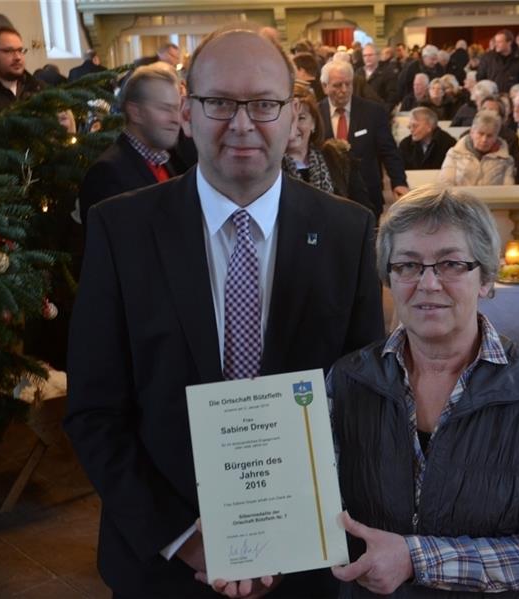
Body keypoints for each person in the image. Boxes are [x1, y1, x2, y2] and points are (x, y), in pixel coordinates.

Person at [65, 28, 385, 599]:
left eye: (264, 104)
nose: (242, 124)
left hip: (305, 563)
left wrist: (295, 532)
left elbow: (359, 407)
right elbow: (94, 410)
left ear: (294, 115)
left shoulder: (348, 232)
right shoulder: (121, 230)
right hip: (163, 563)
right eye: (219, 103)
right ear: (187, 110)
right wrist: (184, 536)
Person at [328, 185, 519, 598]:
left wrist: (415, 557)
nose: (428, 284)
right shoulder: (347, 380)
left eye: (450, 264)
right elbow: (307, 506)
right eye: (407, 266)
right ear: (388, 277)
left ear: (484, 279)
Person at [78, 63, 186, 228]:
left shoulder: (167, 160)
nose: (176, 119)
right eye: (165, 109)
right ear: (136, 112)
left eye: (177, 109)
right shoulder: (106, 175)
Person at [319, 60, 409, 217]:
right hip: (326, 197)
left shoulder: (373, 112)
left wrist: (399, 182)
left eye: (348, 84)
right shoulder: (316, 114)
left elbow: (389, 151)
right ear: (324, 86)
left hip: (367, 196)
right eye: (337, 85)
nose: (344, 90)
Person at [283, 90, 372, 210]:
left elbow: (362, 208)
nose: (292, 127)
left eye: (301, 118)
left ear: (313, 123)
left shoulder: (338, 158)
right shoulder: (268, 167)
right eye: (288, 119)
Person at [439, 110, 515, 186]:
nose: (484, 139)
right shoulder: (454, 154)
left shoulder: (506, 160)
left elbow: (508, 190)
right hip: (459, 197)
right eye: (481, 134)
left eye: (489, 136)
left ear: (496, 137)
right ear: (472, 132)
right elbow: (445, 185)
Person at [476, 29, 519, 94]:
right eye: (496, 42)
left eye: (499, 42)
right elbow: (480, 78)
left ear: (509, 42)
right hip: (493, 97)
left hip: (513, 97)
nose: (496, 44)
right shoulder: (487, 58)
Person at [358, 44, 398, 112]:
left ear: (377, 56)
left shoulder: (387, 73)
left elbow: (392, 96)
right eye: (365, 55)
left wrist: (385, 110)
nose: (367, 58)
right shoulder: (358, 73)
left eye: (370, 55)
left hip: (380, 111)